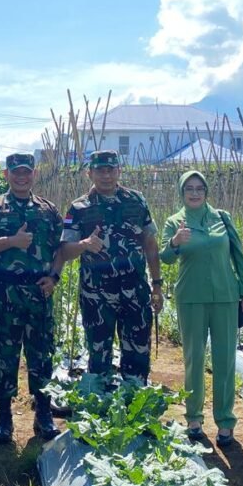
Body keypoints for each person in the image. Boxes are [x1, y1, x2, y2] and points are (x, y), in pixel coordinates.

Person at [0, 153, 65, 444]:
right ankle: (4, 418)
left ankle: (44, 414)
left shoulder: (48, 210)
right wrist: (11, 241)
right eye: (16, 172)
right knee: (4, 355)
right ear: (7, 174)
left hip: (38, 292)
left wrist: (54, 277)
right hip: (4, 293)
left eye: (26, 172)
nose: (22, 177)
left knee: (41, 354)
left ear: (34, 174)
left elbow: (61, 248)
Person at [159, 171, 243, 447]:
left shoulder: (221, 218)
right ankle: (194, 418)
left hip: (225, 296)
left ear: (206, 191)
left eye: (199, 188)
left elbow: (239, 256)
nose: (194, 193)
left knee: (225, 359)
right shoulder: (174, 222)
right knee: (194, 358)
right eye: (189, 188)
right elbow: (165, 258)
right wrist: (175, 242)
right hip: (191, 297)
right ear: (182, 193)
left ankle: (225, 421)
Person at [59, 150, 163, 383]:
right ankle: (99, 400)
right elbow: (65, 251)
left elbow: (150, 243)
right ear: (89, 173)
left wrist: (157, 284)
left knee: (138, 353)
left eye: (110, 170)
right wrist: (84, 244)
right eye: (100, 170)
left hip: (134, 291)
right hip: (96, 295)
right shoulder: (78, 208)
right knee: (99, 354)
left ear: (119, 171)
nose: (106, 175)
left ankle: (135, 398)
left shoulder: (136, 201)